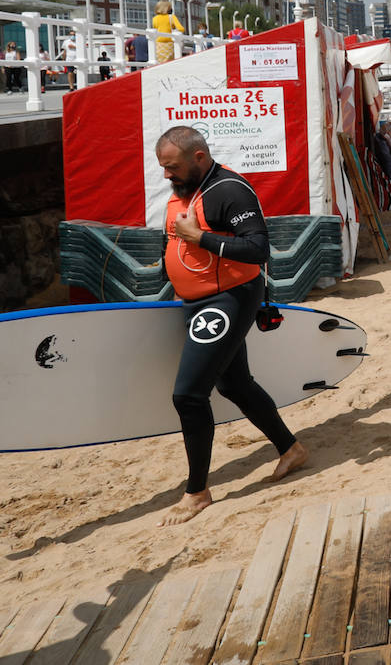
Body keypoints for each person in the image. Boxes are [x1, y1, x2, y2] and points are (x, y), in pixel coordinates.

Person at [155, 126, 307, 525]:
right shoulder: (186, 189)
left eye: (172, 167)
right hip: (195, 301)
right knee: (235, 384)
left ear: (199, 157)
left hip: (228, 300)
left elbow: (258, 249)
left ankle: (197, 492)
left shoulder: (229, 191)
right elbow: (175, 242)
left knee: (189, 395)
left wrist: (201, 237)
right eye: (164, 169)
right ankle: (290, 449)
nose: (167, 176)